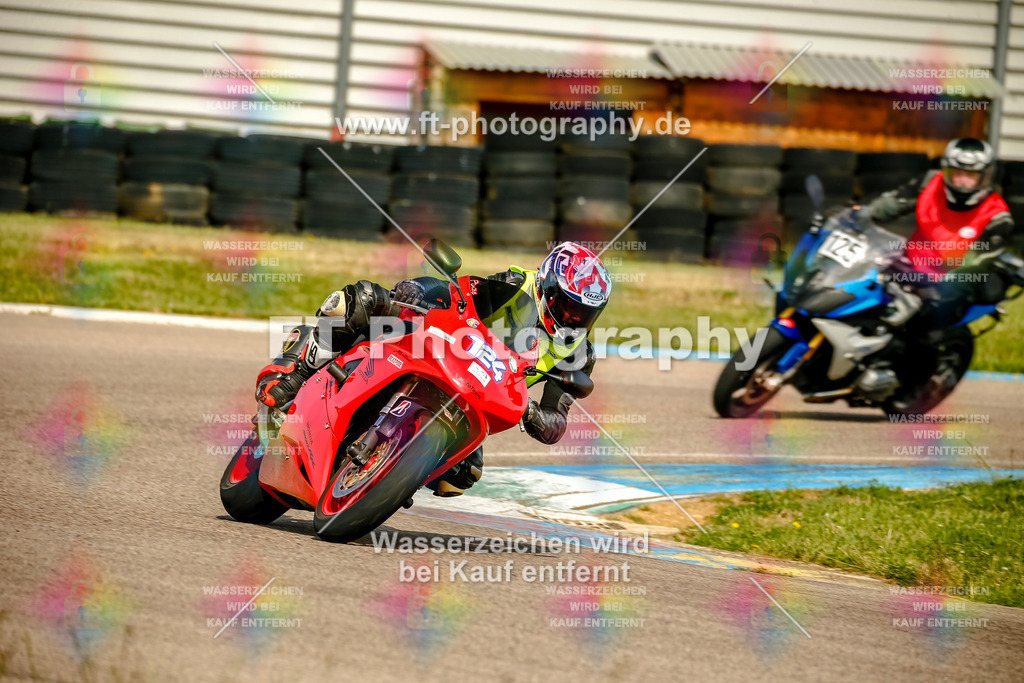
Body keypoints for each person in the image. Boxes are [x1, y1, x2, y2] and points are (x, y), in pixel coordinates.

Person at [254, 241, 613, 496]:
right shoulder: (517, 285)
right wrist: (417, 291)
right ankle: (296, 373)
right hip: (441, 349)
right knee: (363, 300)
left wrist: (533, 415)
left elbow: (555, 422)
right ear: (547, 287)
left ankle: (390, 476)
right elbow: (460, 292)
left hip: (474, 396)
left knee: (462, 476)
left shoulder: (579, 354)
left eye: (584, 314)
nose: (572, 319)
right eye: (567, 307)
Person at [869, 137, 1015, 329]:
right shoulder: (929, 182)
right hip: (909, 264)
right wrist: (860, 213)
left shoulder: (997, 217)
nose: (963, 182)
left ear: (985, 176)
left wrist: (934, 283)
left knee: (923, 323)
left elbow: (975, 265)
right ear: (947, 171)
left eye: (971, 175)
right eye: (958, 173)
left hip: (950, 282)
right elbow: (888, 205)